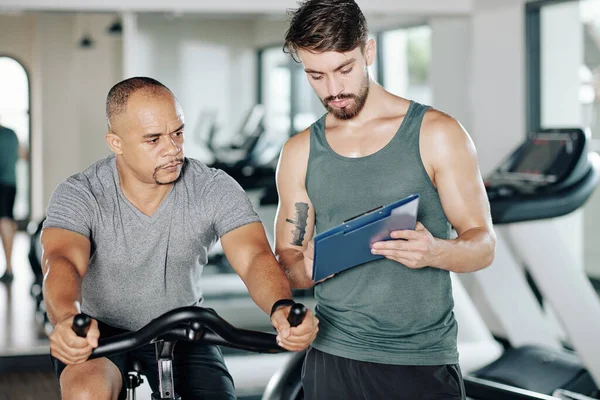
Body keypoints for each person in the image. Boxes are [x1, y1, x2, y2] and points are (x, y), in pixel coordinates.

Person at [41, 76, 319, 400]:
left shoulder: (212, 187)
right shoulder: (81, 193)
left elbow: (254, 256)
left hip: (184, 324)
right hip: (98, 330)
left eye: (177, 133)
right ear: (116, 143)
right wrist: (65, 319)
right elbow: (62, 260)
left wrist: (281, 307)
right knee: (86, 393)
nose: (172, 150)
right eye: (153, 139)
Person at [274, 1, 496, 399]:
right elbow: (287, 260)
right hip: (333, 356)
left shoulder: (436, 133)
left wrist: (435, 252)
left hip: (420, 360)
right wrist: (306, 267)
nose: (334, 90)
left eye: (344, 69)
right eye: (316, 76)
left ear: (369, 52)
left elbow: (483, 246)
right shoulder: (299, 151)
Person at [0, 120, 19, 284]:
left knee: (5, 223)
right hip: (11, 184)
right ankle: (9, 266)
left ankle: (8, 268)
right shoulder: (12, 134)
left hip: (2, 184)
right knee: (7, 221)